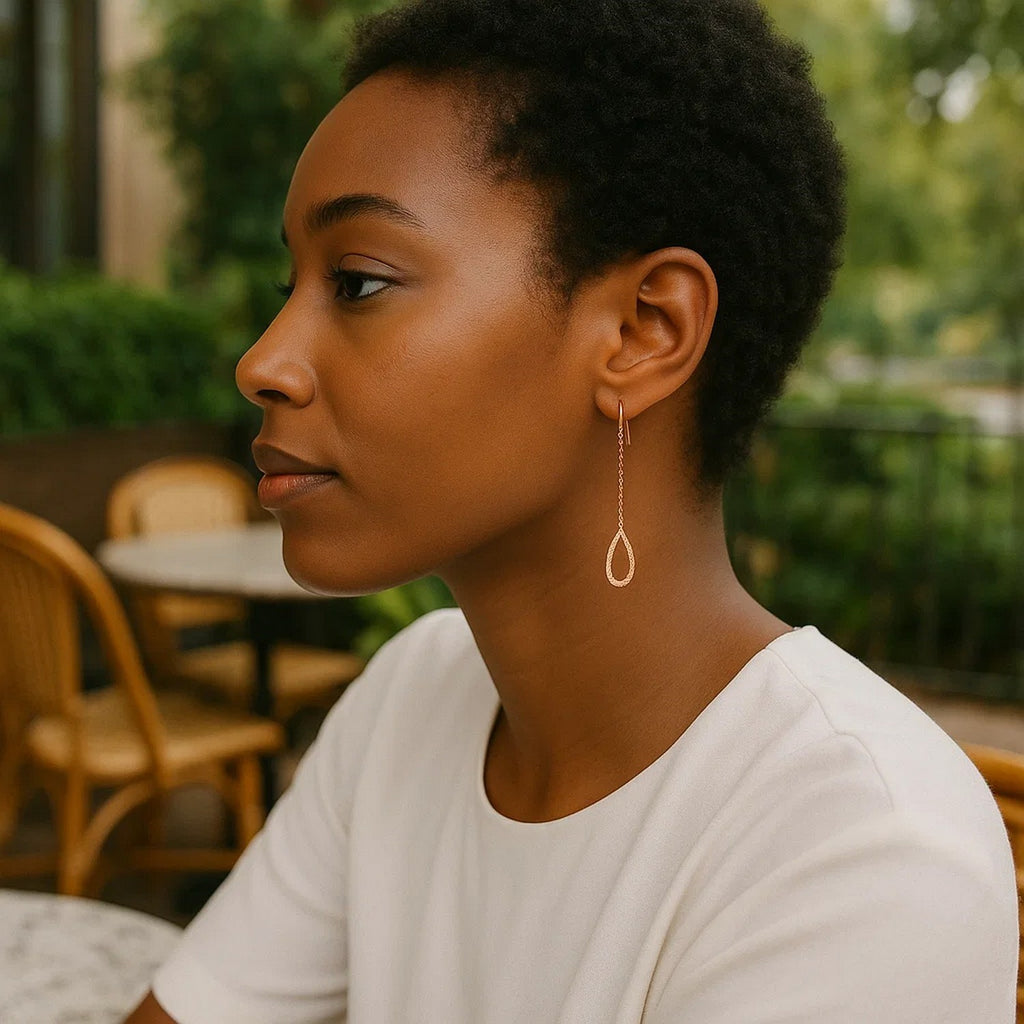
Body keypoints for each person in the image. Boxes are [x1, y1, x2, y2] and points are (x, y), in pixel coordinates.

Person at [125, 0, 1018, 1021]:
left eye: (360, 282)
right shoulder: (408, 701)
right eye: (292, 287)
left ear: (643, 331)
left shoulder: (860, 846)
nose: (262, 362)